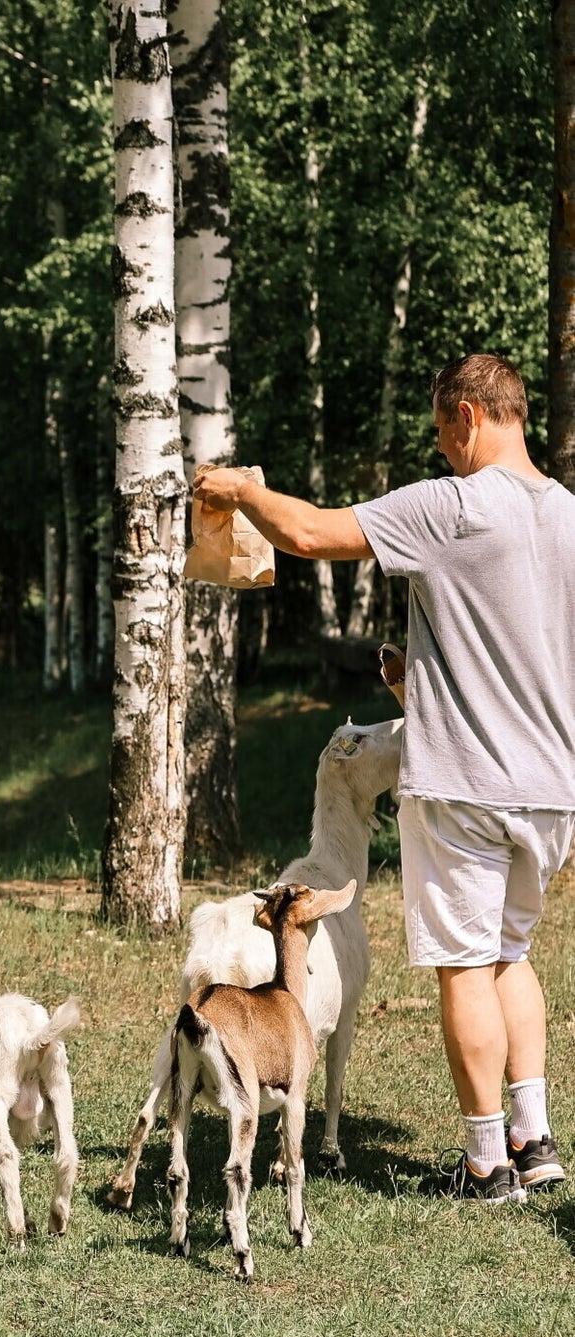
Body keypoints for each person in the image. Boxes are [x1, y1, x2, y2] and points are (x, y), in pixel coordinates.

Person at [195, 353, 575, 1203]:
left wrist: (241, 492)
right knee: (513, 953)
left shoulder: (451, 505)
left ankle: (484, 1165)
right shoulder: (570, 519)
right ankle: (534, 1137)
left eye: (443, 433)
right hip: (551, 783)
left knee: (464, 964)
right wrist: (424, 682)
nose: (441, 451)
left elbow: (307, 533)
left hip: (466, 784)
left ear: (468, 418)